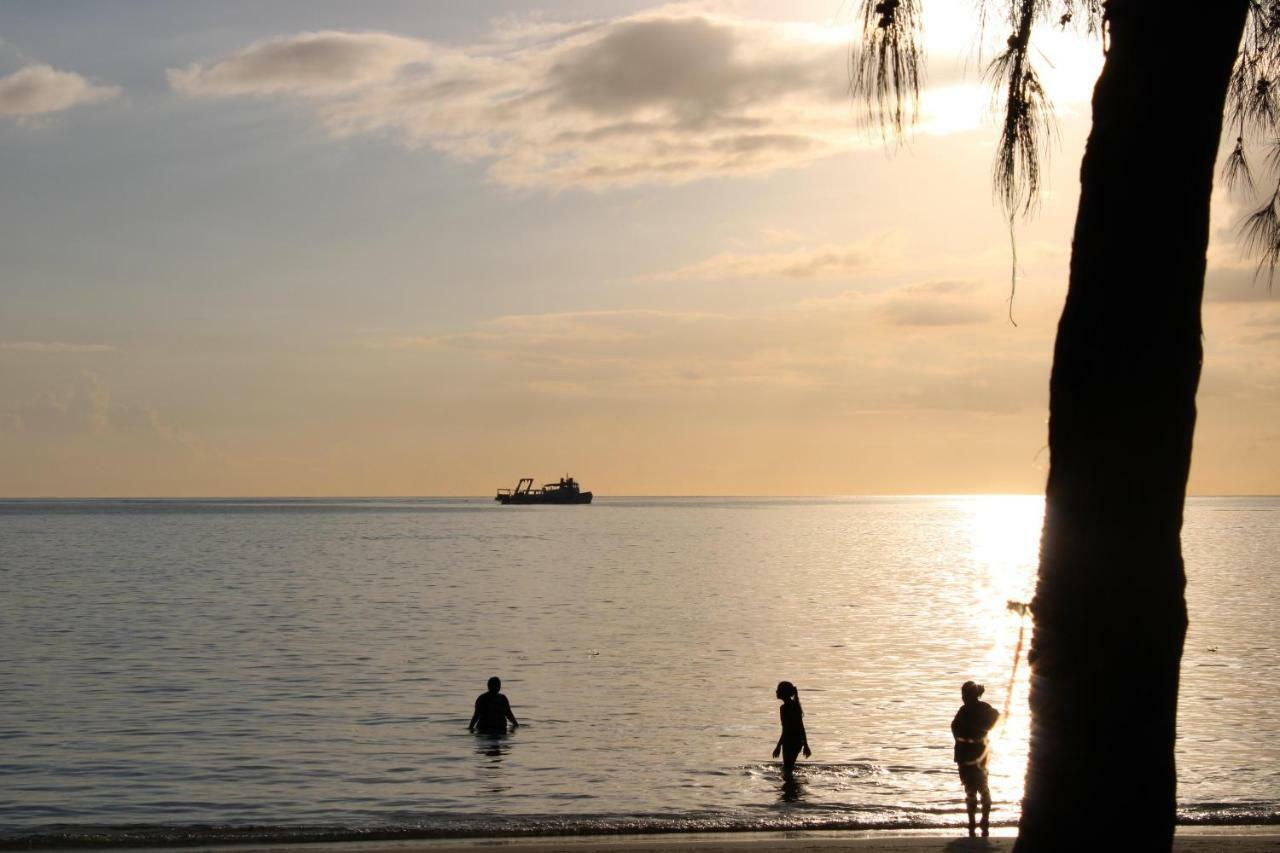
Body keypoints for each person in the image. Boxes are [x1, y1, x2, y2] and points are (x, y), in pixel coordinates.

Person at [952, 680, 1000, 837]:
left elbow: (955, 729)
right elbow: (997, 718)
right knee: (982, 788)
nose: (963, 697)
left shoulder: (964, 711)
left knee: (971, 789)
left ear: (967, 695)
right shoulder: (984, 709)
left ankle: (973, 821)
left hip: (966, 755)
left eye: (964, 694)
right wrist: (983, 731)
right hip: (979, 754)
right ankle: (983, 819)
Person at [771, 680, 811, 780]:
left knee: (787, 769)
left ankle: (790, 789)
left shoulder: (784, 708)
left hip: (790, 741)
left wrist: (778, 746)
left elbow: (786, 729)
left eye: (778, 690)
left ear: (783, 693)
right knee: (789, 768)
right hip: (797, 741)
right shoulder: (794, 705)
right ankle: (793, 787)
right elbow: (801, 727)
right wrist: (805, 744)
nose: (776, 692)